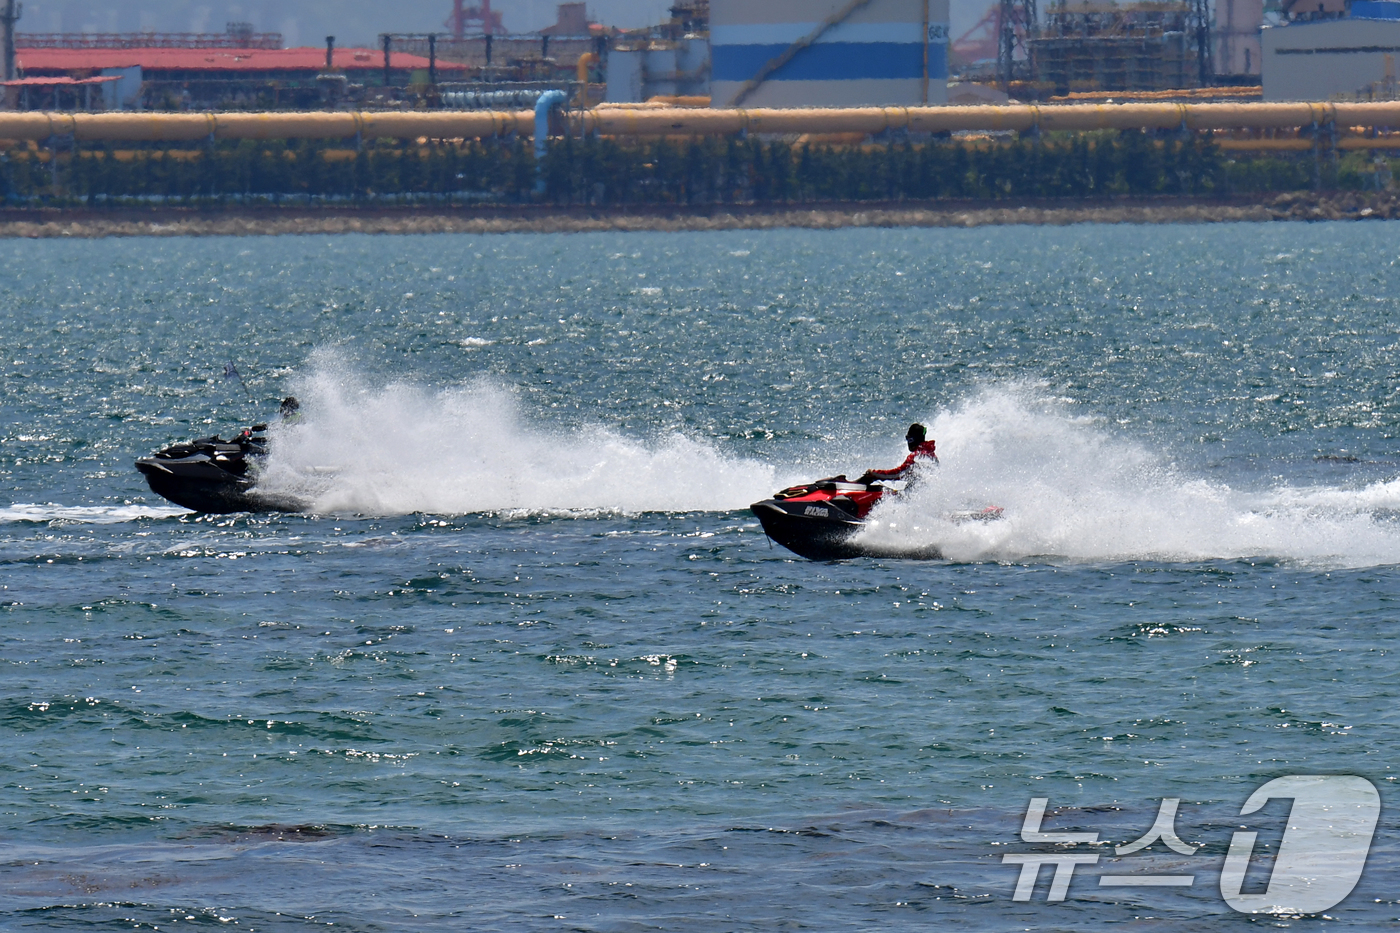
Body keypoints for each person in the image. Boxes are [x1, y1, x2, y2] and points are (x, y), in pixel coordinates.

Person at [858, 423, 938, 485]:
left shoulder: (916, 456)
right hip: (923, 494)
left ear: (913, 440)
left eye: (908, 439)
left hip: (915, 497)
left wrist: (874, 473)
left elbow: (898, 474)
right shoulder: (931, 455)